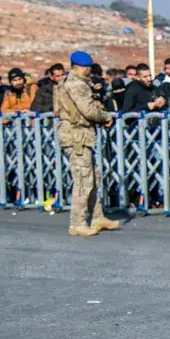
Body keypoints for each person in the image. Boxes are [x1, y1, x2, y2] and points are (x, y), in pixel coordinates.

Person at [54, 51, 119, 237]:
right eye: (88, 67)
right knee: (83, 180)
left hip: (78, 134)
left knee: (93, 176)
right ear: (82, 67)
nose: (90, 71)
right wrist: (105, 116)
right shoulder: (77, 85)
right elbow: (88, 110)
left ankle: (97, 216)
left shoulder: (66, 82)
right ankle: (77, 222)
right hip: (77, 136)